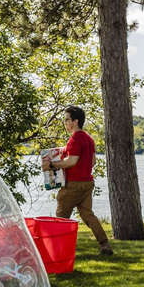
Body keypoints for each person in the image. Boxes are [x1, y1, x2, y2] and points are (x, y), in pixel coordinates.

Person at [42, 106, 114, 256]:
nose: (65, 122)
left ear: (75, 121)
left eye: (67, 119)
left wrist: (50, 165)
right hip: (87, 183)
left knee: (61, 217)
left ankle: (57, 252)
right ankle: (105, 245)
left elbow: (71, 161)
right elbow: (93, 161)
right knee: (87, 215)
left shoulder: (75, 139)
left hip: (74, 184)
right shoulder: (88, 138)